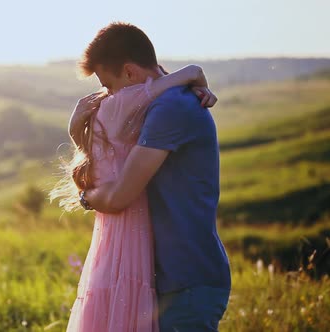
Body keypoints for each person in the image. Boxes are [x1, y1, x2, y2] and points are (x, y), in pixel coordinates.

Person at [62, 22, 232, 332]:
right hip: (162, 280)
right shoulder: (159, 101)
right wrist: (77, 134)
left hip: (186, 283)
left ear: (129, 72)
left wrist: (86, 199)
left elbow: (118, 197)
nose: (106, 97)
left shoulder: (171, 108)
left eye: (107, 86)